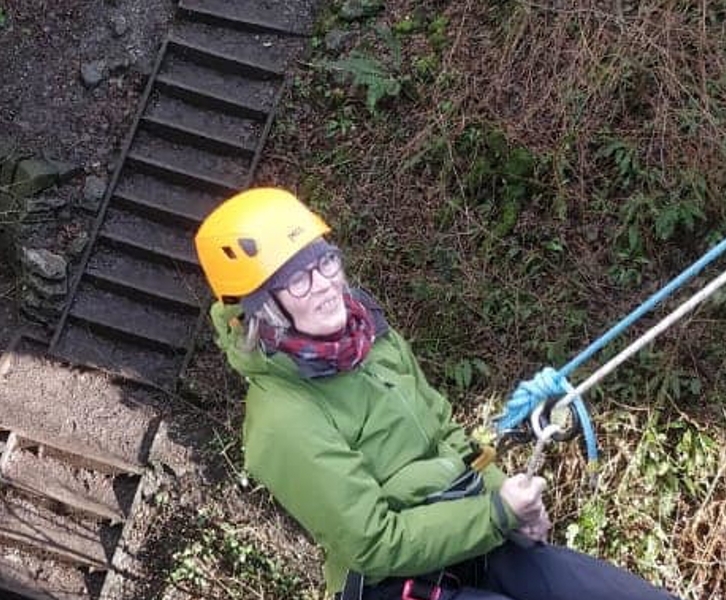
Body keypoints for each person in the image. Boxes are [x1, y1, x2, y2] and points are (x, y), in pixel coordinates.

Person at [193, 188, 676, 600]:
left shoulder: (367, 334)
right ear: (264, 311)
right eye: (297, 280)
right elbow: (374, 541)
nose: (324, 286)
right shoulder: (282, 421)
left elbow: (446, 432)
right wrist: (497, 514)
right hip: (391, 577)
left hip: (467, 525)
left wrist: (512, 508)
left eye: (325, 263)